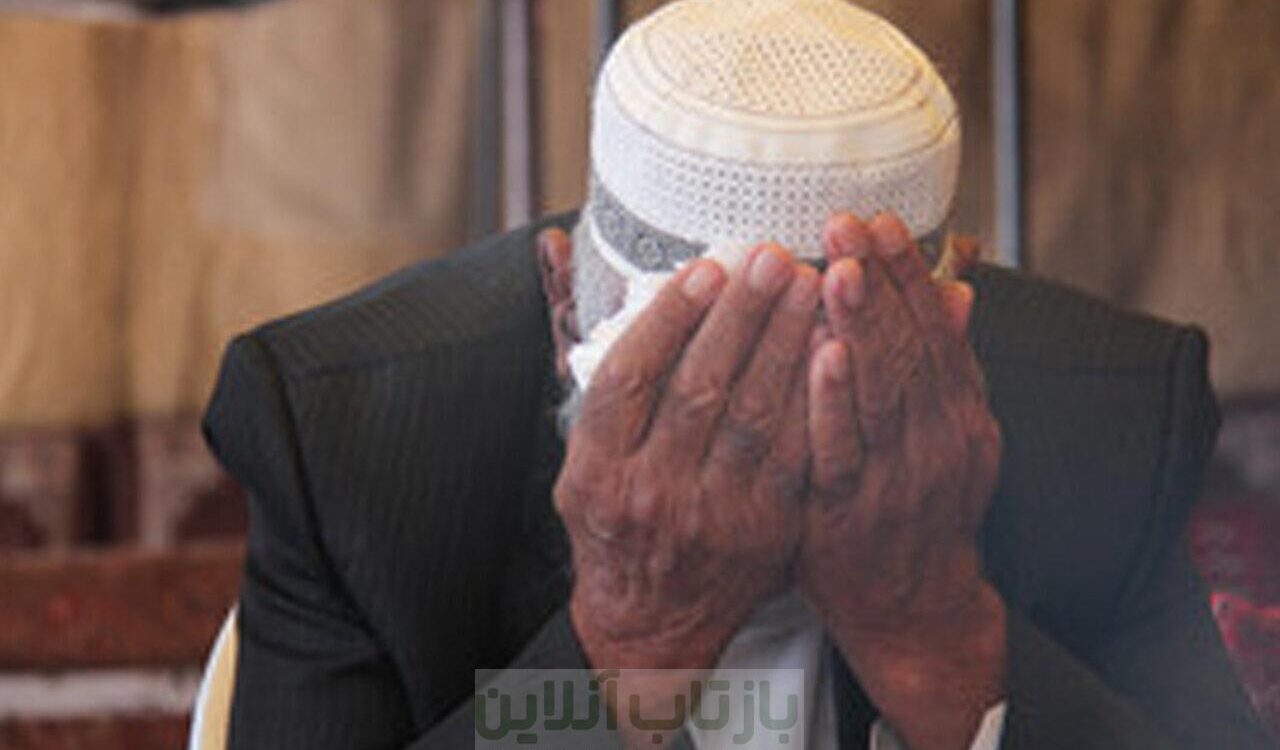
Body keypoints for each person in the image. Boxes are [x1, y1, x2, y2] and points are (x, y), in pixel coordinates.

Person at [203, 1, 1271, 748]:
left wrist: (935, 632)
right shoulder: (351, 436)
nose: (754, 448)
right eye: (682, 384)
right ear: (561, 298)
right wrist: (631, 646)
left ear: (955, 321)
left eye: (827, 384)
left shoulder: (1106, 415)